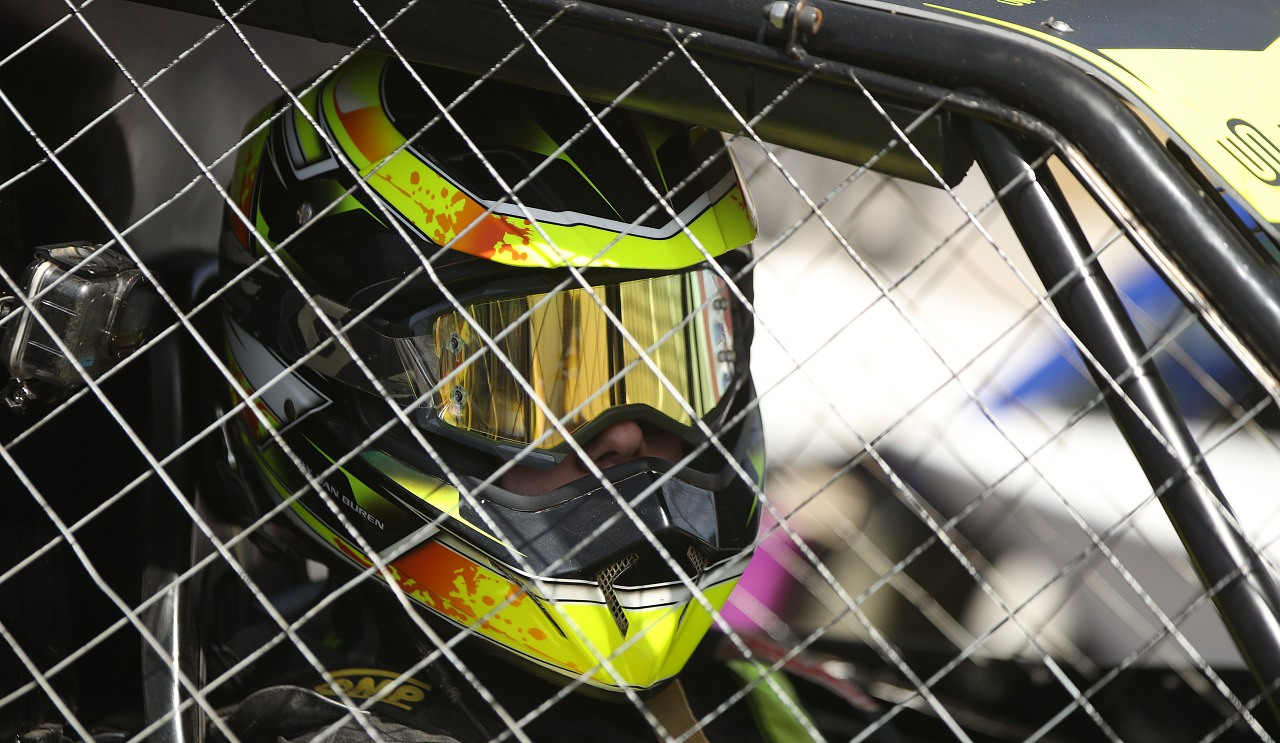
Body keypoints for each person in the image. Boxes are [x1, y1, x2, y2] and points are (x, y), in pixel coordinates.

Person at [204, 51, 898, 742]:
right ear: (338, 362)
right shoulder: (294, 721)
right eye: (536, 375)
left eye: (666, 361)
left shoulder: (764, 703)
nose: (627, 434)